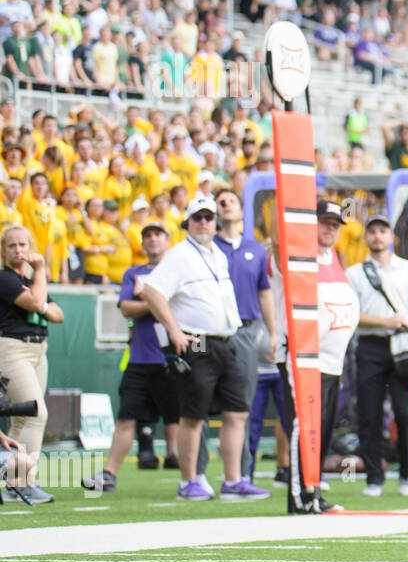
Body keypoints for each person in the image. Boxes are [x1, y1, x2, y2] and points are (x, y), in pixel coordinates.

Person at [140, 195, 269, 501]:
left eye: (208, 218)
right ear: (187, 222)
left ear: (215, 222)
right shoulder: (179, 255)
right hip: (196, 340)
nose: (203, 223)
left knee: (236, 412)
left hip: (226, 339)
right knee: (193, 414)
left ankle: (233, 479)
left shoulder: (217, 254)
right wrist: (174, 330)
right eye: (197, 217)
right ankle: (188, 481)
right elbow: (151, 291)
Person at [272, 198, 359, 514]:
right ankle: (299, 495)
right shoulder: (297, 256)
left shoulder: (333, 257)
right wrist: (285, 204)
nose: (331, 229)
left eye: (335, 224)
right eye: (324, 222)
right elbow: (278, 243)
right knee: (303, 424)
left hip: (333, 361)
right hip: (305, 357)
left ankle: (314, 488)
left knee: (323, 428)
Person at [81, 219, 179, 493]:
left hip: (171, 357)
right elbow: (126, 308)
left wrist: (144, 298)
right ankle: (110, 474)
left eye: (158, 234)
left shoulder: (176, 271)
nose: (152, 239)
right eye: (147, 235)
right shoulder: (132, 272)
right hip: (139, 359)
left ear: (167, 240)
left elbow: (177, 306)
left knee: (181, 418)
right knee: (126, 417)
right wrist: (155, 301)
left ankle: (188, 472)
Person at [346, 212, 408, 497]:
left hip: (403, 345)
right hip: (370, 346)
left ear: (391, 236)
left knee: (406, 413)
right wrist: (386, 322)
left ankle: (406, 473)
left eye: (382, 231)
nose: (377, 236)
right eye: (373, 231)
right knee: (369, 413)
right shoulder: (354, 273)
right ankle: (374, 476)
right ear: (366, 237)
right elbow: (352, 315)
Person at [212, 188, 276, 482]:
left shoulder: (256, 249)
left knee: (243, 406)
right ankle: (196, 474)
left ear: (241, 210)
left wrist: (272, 331)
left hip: (247, 331)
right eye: (220, 202)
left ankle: (243, 474)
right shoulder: (206, 248)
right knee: (197, 407)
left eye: (231, 201)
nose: (226, 205)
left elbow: (265, 292)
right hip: (210, 331)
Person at [0, 224, 63, 504]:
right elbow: (38, 301)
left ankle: (13, 483)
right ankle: (22, 481)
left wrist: (42, 304)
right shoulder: (6, 279)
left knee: (22, 418)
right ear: (3, 250)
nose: (18, 250)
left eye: (22, 245)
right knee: (36, 414)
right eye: (11, 245)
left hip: (38, 349)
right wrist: (41, 271)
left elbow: (57, 313)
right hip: (13, 347)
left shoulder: (27, 279)